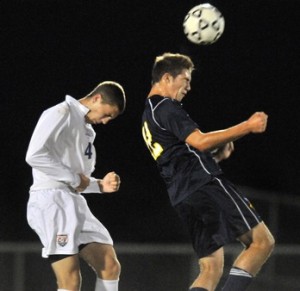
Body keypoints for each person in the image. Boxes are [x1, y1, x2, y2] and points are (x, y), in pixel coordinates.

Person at [141, 53, 275, 291]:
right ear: (166, 77)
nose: (189, 87)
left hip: (182, 195)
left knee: (211, 267)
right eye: (186, 79)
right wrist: (247, 126)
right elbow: (200, 141)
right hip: (204, 184)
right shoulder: (166, 107)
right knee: (261, 242)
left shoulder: (148, 115)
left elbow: (178, 156)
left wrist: (214, 157)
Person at [26, 81, 126, 291]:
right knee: (70, 281)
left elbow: (78, 181)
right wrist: (74, 179)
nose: (107, 121)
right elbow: (34, 155)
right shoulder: (61, 112)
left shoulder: (86, 129)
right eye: (107, 114)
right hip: (51, 202)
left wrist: (100, 185)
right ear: (97, 98)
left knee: (109, 265)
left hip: (73, 201)